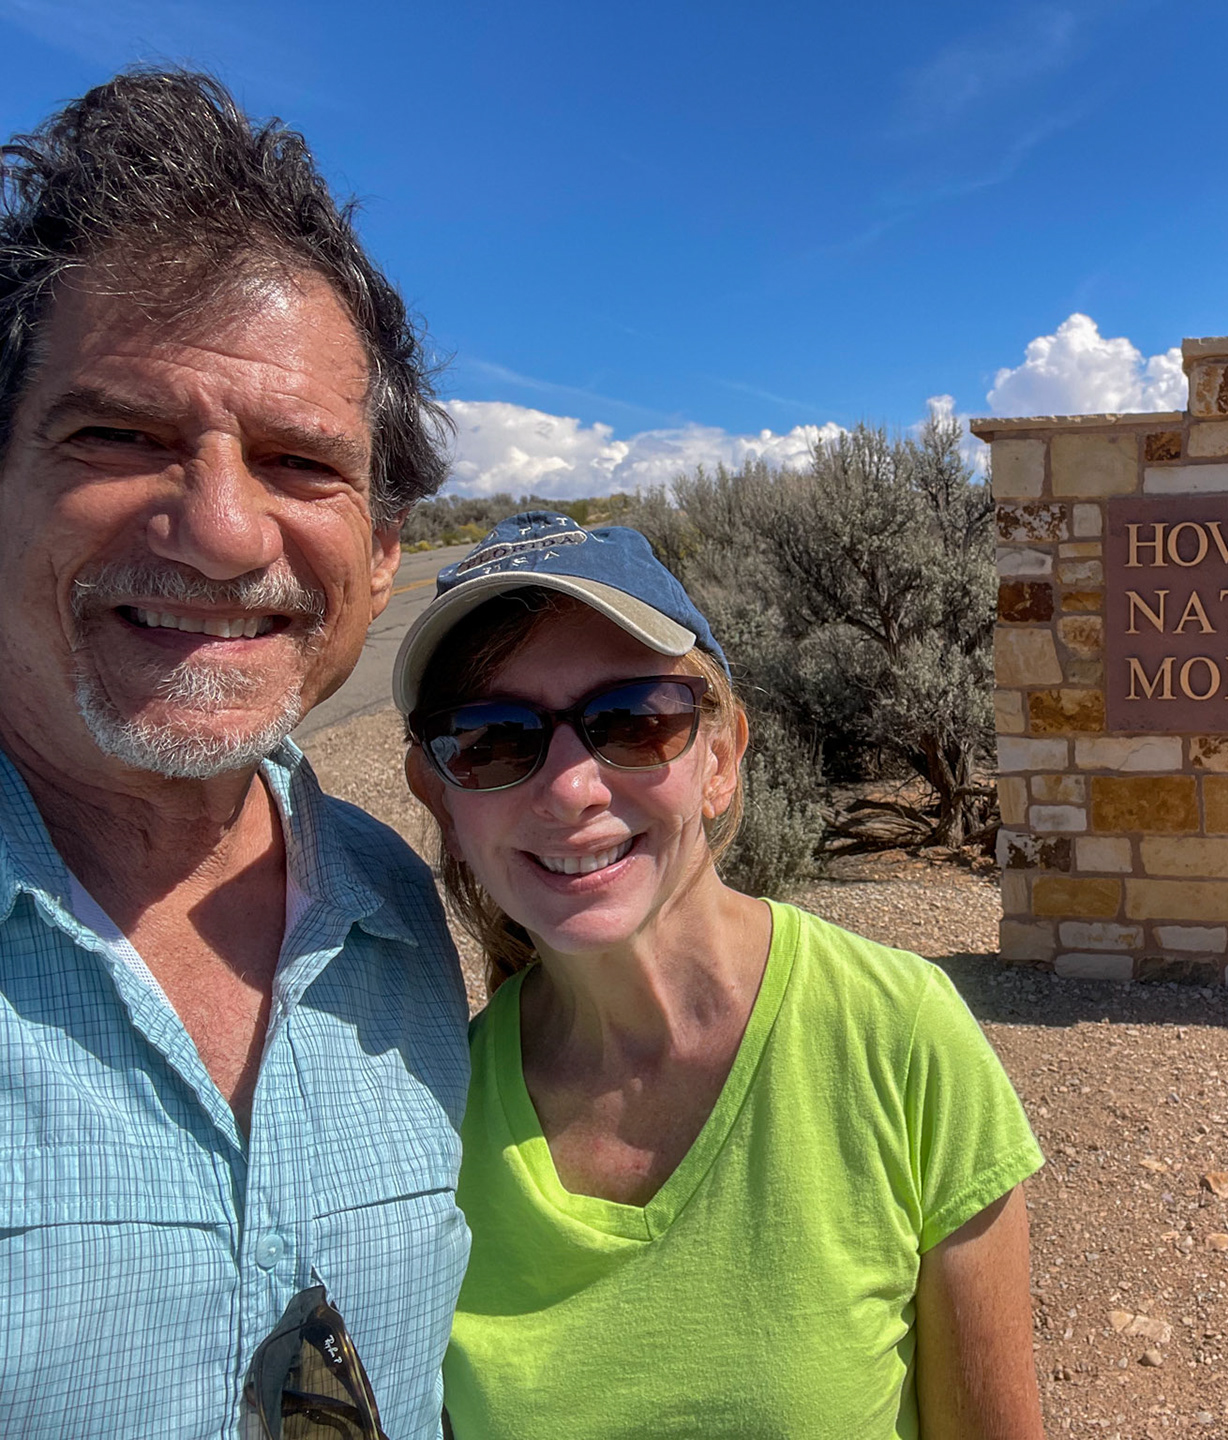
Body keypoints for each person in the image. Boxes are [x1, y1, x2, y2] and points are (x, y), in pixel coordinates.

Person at [0, 71, 469, 1437]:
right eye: (119, 436)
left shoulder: (397, 913)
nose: (220, 531)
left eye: (300, 462)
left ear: (381, 555)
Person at [394, 511, 1048, 1439]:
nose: (571, 789)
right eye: (491, 738)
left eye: (632, 722)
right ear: (441, 799)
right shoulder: (429, 1121)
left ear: (722, 759)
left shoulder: (897, 1035)